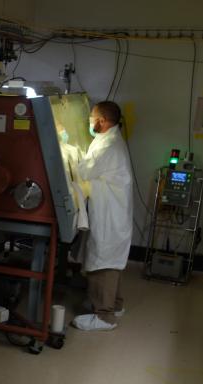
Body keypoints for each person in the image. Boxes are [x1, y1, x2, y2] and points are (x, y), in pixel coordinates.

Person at [72, 101, 133, 331]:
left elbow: (84, 171)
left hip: (110, 215)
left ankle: (104, 316)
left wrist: (70, 151)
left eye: (91, 118)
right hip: (115, 213)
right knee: (112, 260)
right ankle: (116, 305)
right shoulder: (110, 140)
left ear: (101, 121)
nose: (89, 122)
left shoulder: (108, 147)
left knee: (104, 261)